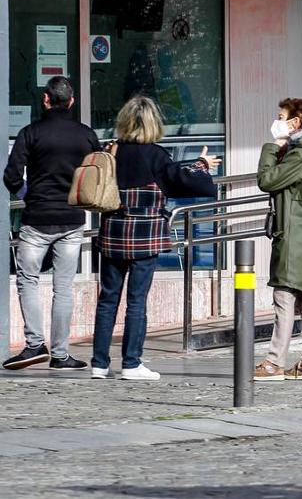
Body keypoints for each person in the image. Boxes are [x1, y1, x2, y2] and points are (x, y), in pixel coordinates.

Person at [91, 96, 219, 380]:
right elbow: (181, 180)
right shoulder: (157, 156)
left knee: (108, 299)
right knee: (137, 301)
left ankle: (99, 363)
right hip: (145, 235)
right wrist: (201, 164)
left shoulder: (111, 151)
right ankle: (131, 363)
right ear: (153, 124)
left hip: (112, 232)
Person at [2, 77, 100, 371]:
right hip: (72, 219)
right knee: (63, 288)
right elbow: (99, 173)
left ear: (45, 99)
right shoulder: (85, 135)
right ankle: (60, 354)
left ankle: (34, 345)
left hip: (37, 218)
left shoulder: (30, 133)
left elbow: (11, 176)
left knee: (28, 281)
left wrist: (29, 195)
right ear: (71, 102)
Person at [254, 98, 302, 382]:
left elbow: (267, 180)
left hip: (296, 236)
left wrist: (272, 147)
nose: (277, 120)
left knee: (284, 297)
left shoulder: (300, 156)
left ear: (295, 122)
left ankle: (274, 362)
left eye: (281, 116)